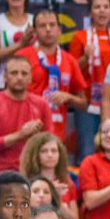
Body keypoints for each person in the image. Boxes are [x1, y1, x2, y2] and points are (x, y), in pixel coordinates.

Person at [68, 0, 110, 160]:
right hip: (89, 103)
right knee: (88, 149)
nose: (102, 11)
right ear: (90, 12)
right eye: (97, 7)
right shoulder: (80, 38)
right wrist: (85, 57)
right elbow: (71, 72)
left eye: (105, 7)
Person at [0, 55, 53, 175]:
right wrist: (20, 135)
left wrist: (38, 137)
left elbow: (50, 141)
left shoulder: (41, 104)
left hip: (34, 172)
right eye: (14, 73)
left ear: (31, 78)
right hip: (2, 172)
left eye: (24, 73)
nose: (19, 78)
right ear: (5, 77)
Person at [20, 9, 87, 140]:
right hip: (27, 132)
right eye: (42, 26)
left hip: (57, 134)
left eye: (52, 25)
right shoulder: (22, 57)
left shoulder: (69, 60)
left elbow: (83, 103)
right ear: (34, 31)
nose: (48, 29)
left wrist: (68, 97)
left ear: (59, 30)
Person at [19, 131, 79, 219]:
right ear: (35, 154)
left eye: (54, 150)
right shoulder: (25, 183)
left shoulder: (67, 183)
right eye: (44, 151)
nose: (50, 154)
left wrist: (57, 199)